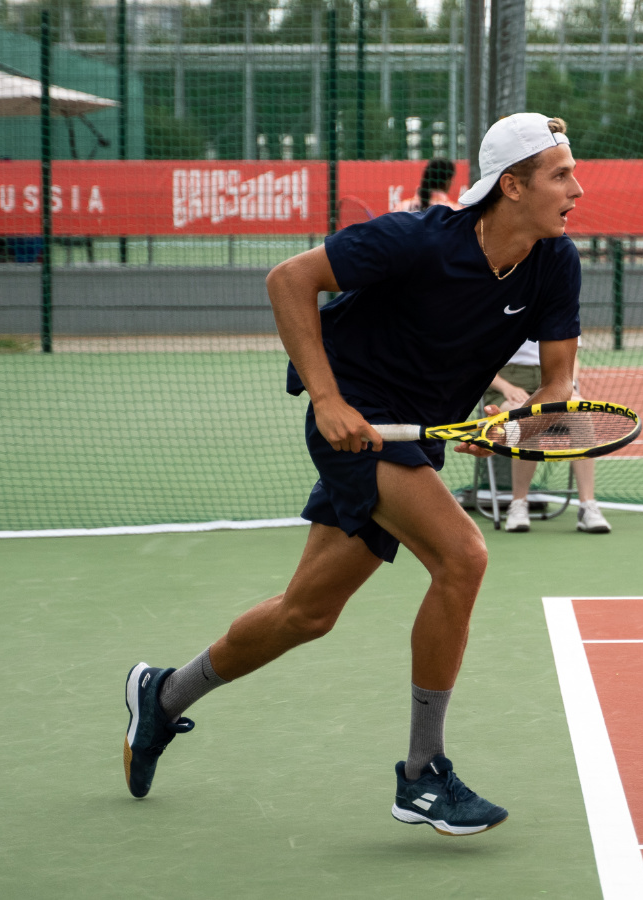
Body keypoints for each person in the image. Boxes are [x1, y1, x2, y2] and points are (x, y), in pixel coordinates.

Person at [122, 113, 584, 838]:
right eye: (561, 175)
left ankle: (164, 695)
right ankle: (421, 774)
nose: (576, 190)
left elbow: (557, 386)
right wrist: (329, 399)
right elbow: (289, 280)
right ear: (513, 184)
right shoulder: (418, 239)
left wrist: (515, 421)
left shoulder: (555, 261)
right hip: (355, 425)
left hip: (413, 437)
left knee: (307, 613)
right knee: (462, 557)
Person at [484, 340, 611, 534]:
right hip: (506, 380)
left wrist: (569, 384)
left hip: (554, 375)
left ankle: (588, 506)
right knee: (527, 416)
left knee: (581, 413)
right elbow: (478, 360)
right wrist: (506, 387)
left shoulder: (559, 310)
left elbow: (572, 356)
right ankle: (519, 504)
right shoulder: (492, 311)